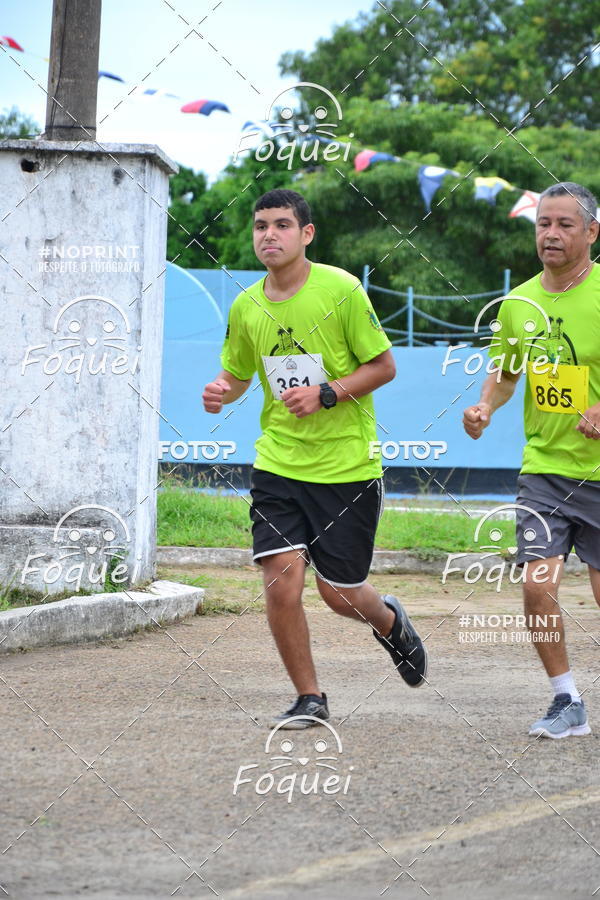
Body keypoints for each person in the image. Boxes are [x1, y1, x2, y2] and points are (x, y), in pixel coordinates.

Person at [202, 188, 427, 728]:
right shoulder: (246, 304)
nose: (269, 235)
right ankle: (310, 698)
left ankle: (391, 622)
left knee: (339, 596)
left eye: (282, 225)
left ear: (306, 234)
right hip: (277, 464)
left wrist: (326, 393)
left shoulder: (342, 290)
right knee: (281, 579)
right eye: (260, 226)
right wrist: (221, 390)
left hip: (345, 469)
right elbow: (236, 374)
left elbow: (383, 367)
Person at [463, 181, 600, 739]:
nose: (551, 233)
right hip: (543, 468)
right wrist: (484, 405)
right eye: (544, 223)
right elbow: (507, 370)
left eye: (565, 224)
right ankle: (565, 699)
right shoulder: (519, 304)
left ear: (592, 232)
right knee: (536, 585)